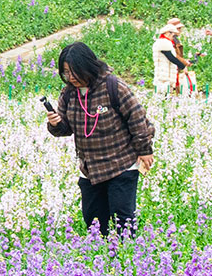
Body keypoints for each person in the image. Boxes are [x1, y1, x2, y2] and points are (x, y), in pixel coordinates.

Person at [46, 42, 155, 237]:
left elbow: (137, 117)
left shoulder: (113, 86)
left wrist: (145, 149)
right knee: (93, 222)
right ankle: (103, 263)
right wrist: (55, 123)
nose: (70, 78)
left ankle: (126, 262)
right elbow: (65, 129)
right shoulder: (69, 94)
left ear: (87, 66)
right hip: (91, 170)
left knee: (124, 222)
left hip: (121, 164)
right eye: (65, 73)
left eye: (74, 72)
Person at [152, 23, 184, 95]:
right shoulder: (163, 42)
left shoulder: (166, 42)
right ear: (168, 33)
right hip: (164, 74)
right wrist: (183, 66)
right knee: (163, 93)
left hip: (166, 73)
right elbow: (171, 57)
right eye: (173, 35)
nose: (174, 37)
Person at [167, 18, 196, 95]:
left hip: (175, 69)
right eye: (178, 28)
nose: (180, 30)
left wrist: (184, 61)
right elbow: (174, 56)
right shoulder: (170, 41)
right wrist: (184, 64)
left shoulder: (175, 39)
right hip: (170, 70)